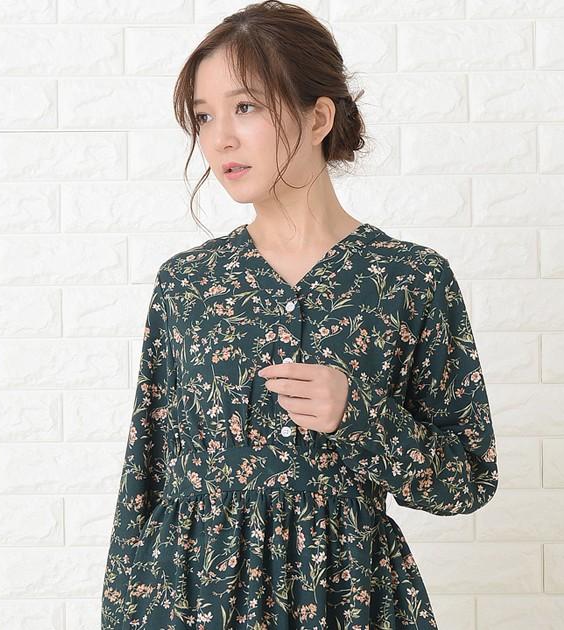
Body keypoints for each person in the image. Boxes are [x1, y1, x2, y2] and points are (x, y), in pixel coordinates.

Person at [100, 2, 499, 628]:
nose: (220, 138)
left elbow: (468, 480)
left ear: (318, 117)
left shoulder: (409, 279)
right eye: (204, 116)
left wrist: (359, 417)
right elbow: (144, 477)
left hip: (349, 601)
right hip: (195, 605)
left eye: (245, 107)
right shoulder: (188, 285)